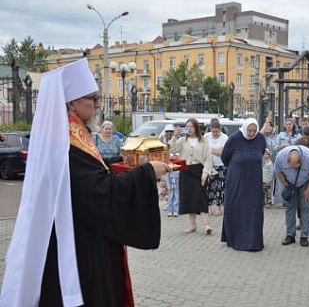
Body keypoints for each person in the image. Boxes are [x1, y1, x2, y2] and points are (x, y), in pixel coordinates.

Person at [0, 59, 171, 306]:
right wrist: (146, 173)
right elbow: (101, 192)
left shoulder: (69, 135)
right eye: (92, 99)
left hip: (72, 233)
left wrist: (123, 164)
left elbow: (92, 177)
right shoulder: (68, 142)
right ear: (71, 103)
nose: (98, 105)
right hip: (81, 247)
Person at [221, 118, 266, 251]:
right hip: (237, 180)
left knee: (253, 210)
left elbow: (261, 152)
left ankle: (253, 240)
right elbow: (225, 157)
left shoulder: (260, 138)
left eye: (254, 130)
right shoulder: (234, 138)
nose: (252, 133)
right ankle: (235, 238)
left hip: (254, 181)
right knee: (237, 207)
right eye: (249, 130)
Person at [170, 118, 213, 234]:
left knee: (200, 198)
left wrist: (205, 173)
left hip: (198, 171)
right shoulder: (183, 140)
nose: (189, 129)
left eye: (191, 126)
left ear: (196, 128)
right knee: (189, 198)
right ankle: (192, 224)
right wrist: (174, 136)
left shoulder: (203, 141)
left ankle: (207, 224)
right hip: (186, 171)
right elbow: (172, 148)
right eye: (187, 126)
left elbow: (208, 158)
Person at [274, 145, 309, 247]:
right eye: (291, 167)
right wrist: (285, 185)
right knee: (290, 208)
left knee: (306, 208)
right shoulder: (280, 157)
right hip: (289, 183)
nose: (294, 169)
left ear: (301, 162)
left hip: (306, 182)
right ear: (287, 161)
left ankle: (304, 236)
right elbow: (278, 172)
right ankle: (290, 235)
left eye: (297, 167)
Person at [204, 118, 229, 216]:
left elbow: (222, 153)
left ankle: (218, 207)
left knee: (220, 187)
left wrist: (210, 150)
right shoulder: (206, 137)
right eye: (213, 131)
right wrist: (215, 150)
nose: (215, 133)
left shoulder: (224, 137)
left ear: (220, 129)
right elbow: (203, 150)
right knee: (208, 187)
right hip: (209, 165)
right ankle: (208, 207)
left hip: (221, 165)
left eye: (217, 131)